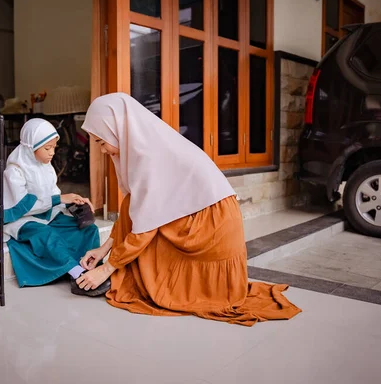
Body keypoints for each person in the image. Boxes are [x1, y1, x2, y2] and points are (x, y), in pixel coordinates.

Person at [75, 93, 301, 326]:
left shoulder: (150, 156)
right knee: (134, 209)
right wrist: (103, 250)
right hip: (202, 218)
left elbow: (144, 228)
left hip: (210, 227)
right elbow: (135, 209)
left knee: (146, 239)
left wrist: (106, 270)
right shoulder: (148, 144)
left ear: (118, 130)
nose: (102, 150)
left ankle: (121, 277)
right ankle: (121, 273)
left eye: (101, 142)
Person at [0, 118, 103, 290]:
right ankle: (77, 273)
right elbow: (22, 207)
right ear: (30, 147)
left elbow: (53, 195)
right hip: (22, 220)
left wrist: (75, 204)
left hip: (47, 214)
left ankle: (92, 266)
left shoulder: (46, 167)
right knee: (47, 235)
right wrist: (60, 199)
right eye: (47, 148)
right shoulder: (14, 171)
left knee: (87, 228)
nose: (52, 153)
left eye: (54, 147)